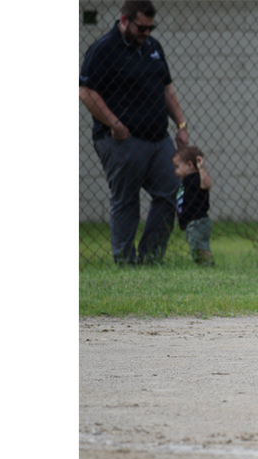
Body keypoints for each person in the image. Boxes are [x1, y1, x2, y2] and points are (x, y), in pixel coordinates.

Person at [78, 0, 190, 265]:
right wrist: (114, 124)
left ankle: (150, 258)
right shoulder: (104, 49)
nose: (147, 33)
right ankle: (126, 262)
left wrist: (181, 125)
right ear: (125, 20)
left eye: (151, 28)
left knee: (171, 190)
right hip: (121, 140)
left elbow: (166, 89)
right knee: (126, 200)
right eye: (142, 28)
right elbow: (85, 91)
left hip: (158, 138)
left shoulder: (153, 48)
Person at [172, 146, 214, 266]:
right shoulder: (185, 181)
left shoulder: (196, 178)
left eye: (177, 167)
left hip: (198, 221)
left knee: (199, 246)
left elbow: (207, 184)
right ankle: (202, 264)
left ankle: (208, 264)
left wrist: (201, 167)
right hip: (191, 223)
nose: (175, 171)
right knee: (195, 247)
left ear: (190, 165)